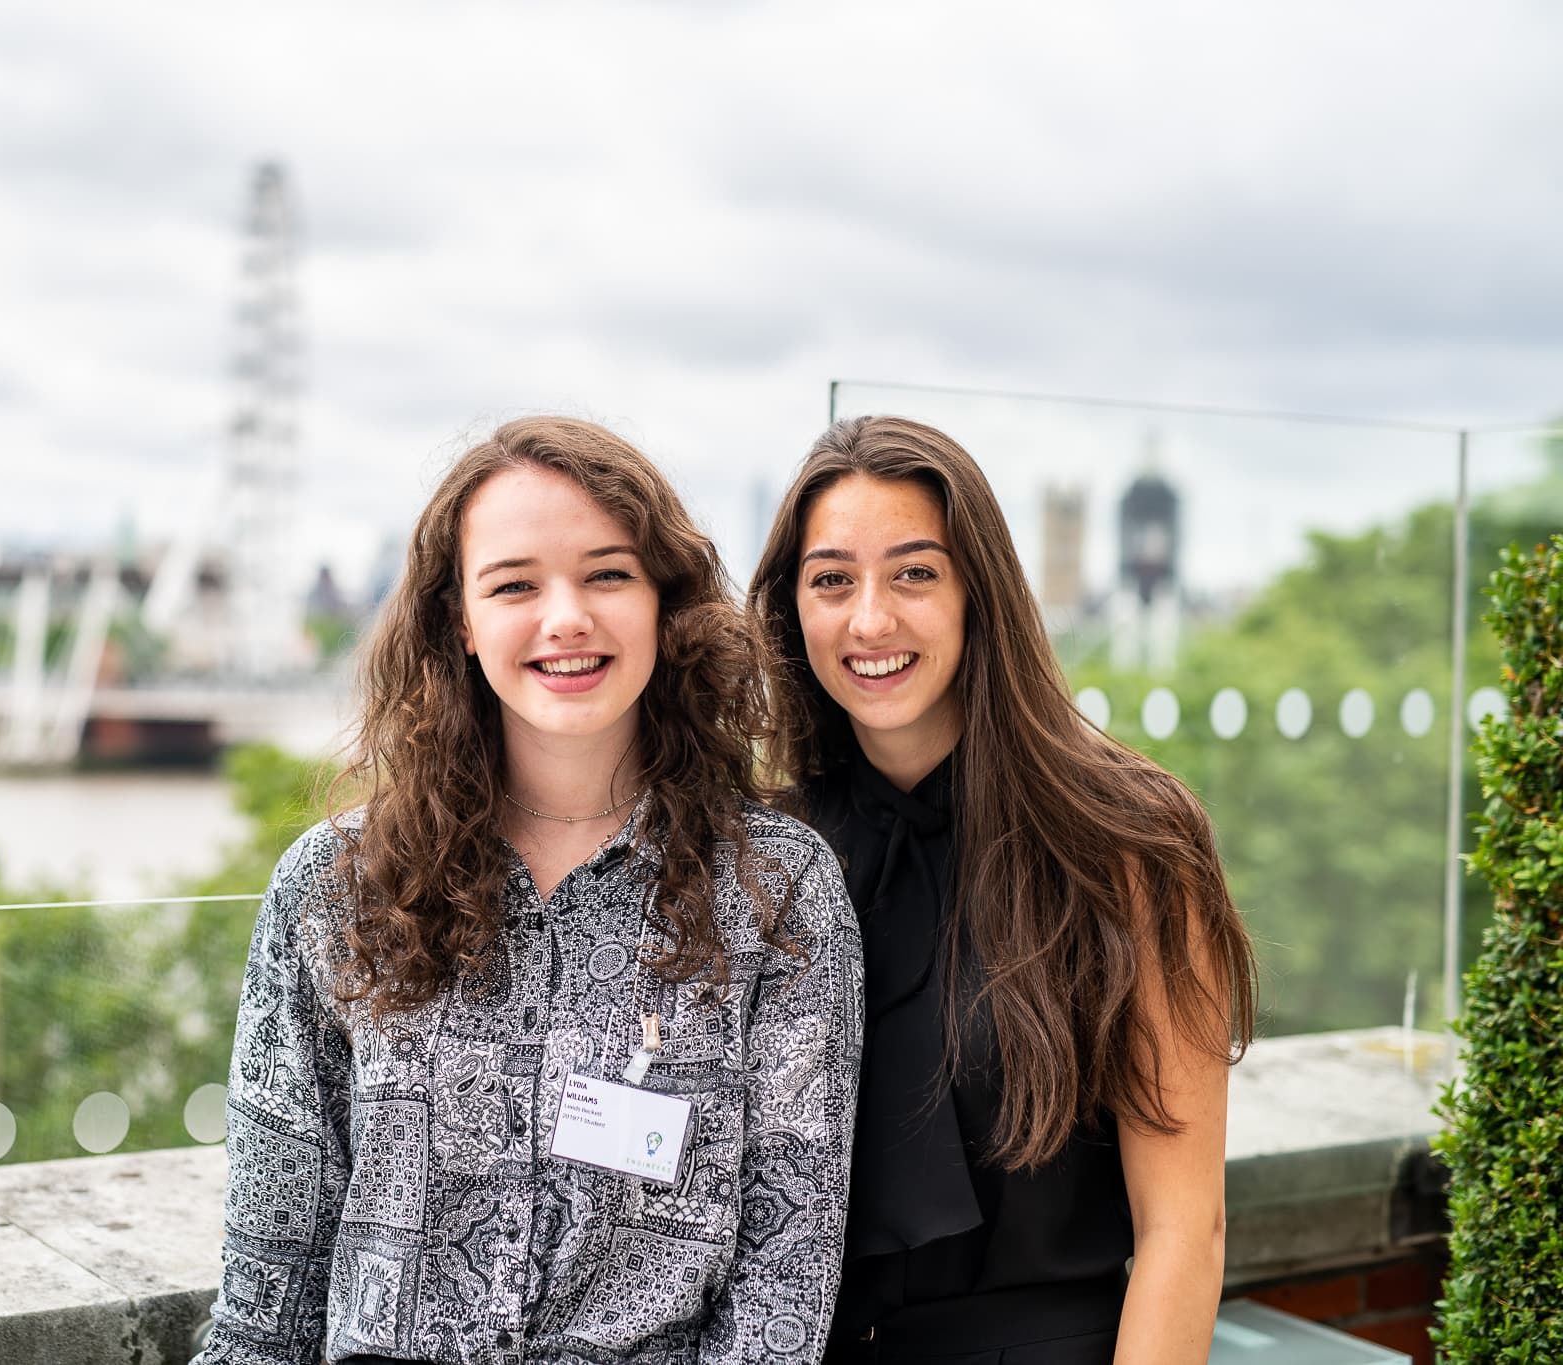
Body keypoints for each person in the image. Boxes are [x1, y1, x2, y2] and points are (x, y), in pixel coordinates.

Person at [199, 417, 864, 1365]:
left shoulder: (777, 893)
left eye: (606, 574)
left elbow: (781, 1294)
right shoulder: (336, 888)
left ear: (663, 605)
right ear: (460, 622)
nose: (566, 618)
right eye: (515, 584)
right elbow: (268, 1293)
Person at [746, 417, 1257, 1365]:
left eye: (914, 572)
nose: (870, 619)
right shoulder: (759, 853)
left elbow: (1186, 1233)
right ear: (790, 609)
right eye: (831, 580)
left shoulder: (1126, 842)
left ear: (979, 590)